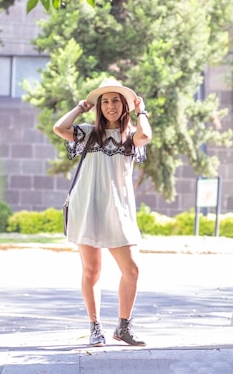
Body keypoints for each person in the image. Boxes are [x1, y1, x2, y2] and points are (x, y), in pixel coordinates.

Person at [53, 78, 152, 347]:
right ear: (99, 106)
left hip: (118, 209)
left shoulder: (130, 137)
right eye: (105, 101)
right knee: (91, 271)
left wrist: (141, 110)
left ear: (124, 106)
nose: (110, 105)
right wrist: (80, 107)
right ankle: (95, 327)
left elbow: (146, 136)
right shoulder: (87, 133)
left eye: (116, 100)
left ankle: (123, 327)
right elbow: (59, 128)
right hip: (87, 207)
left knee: (131, 269)